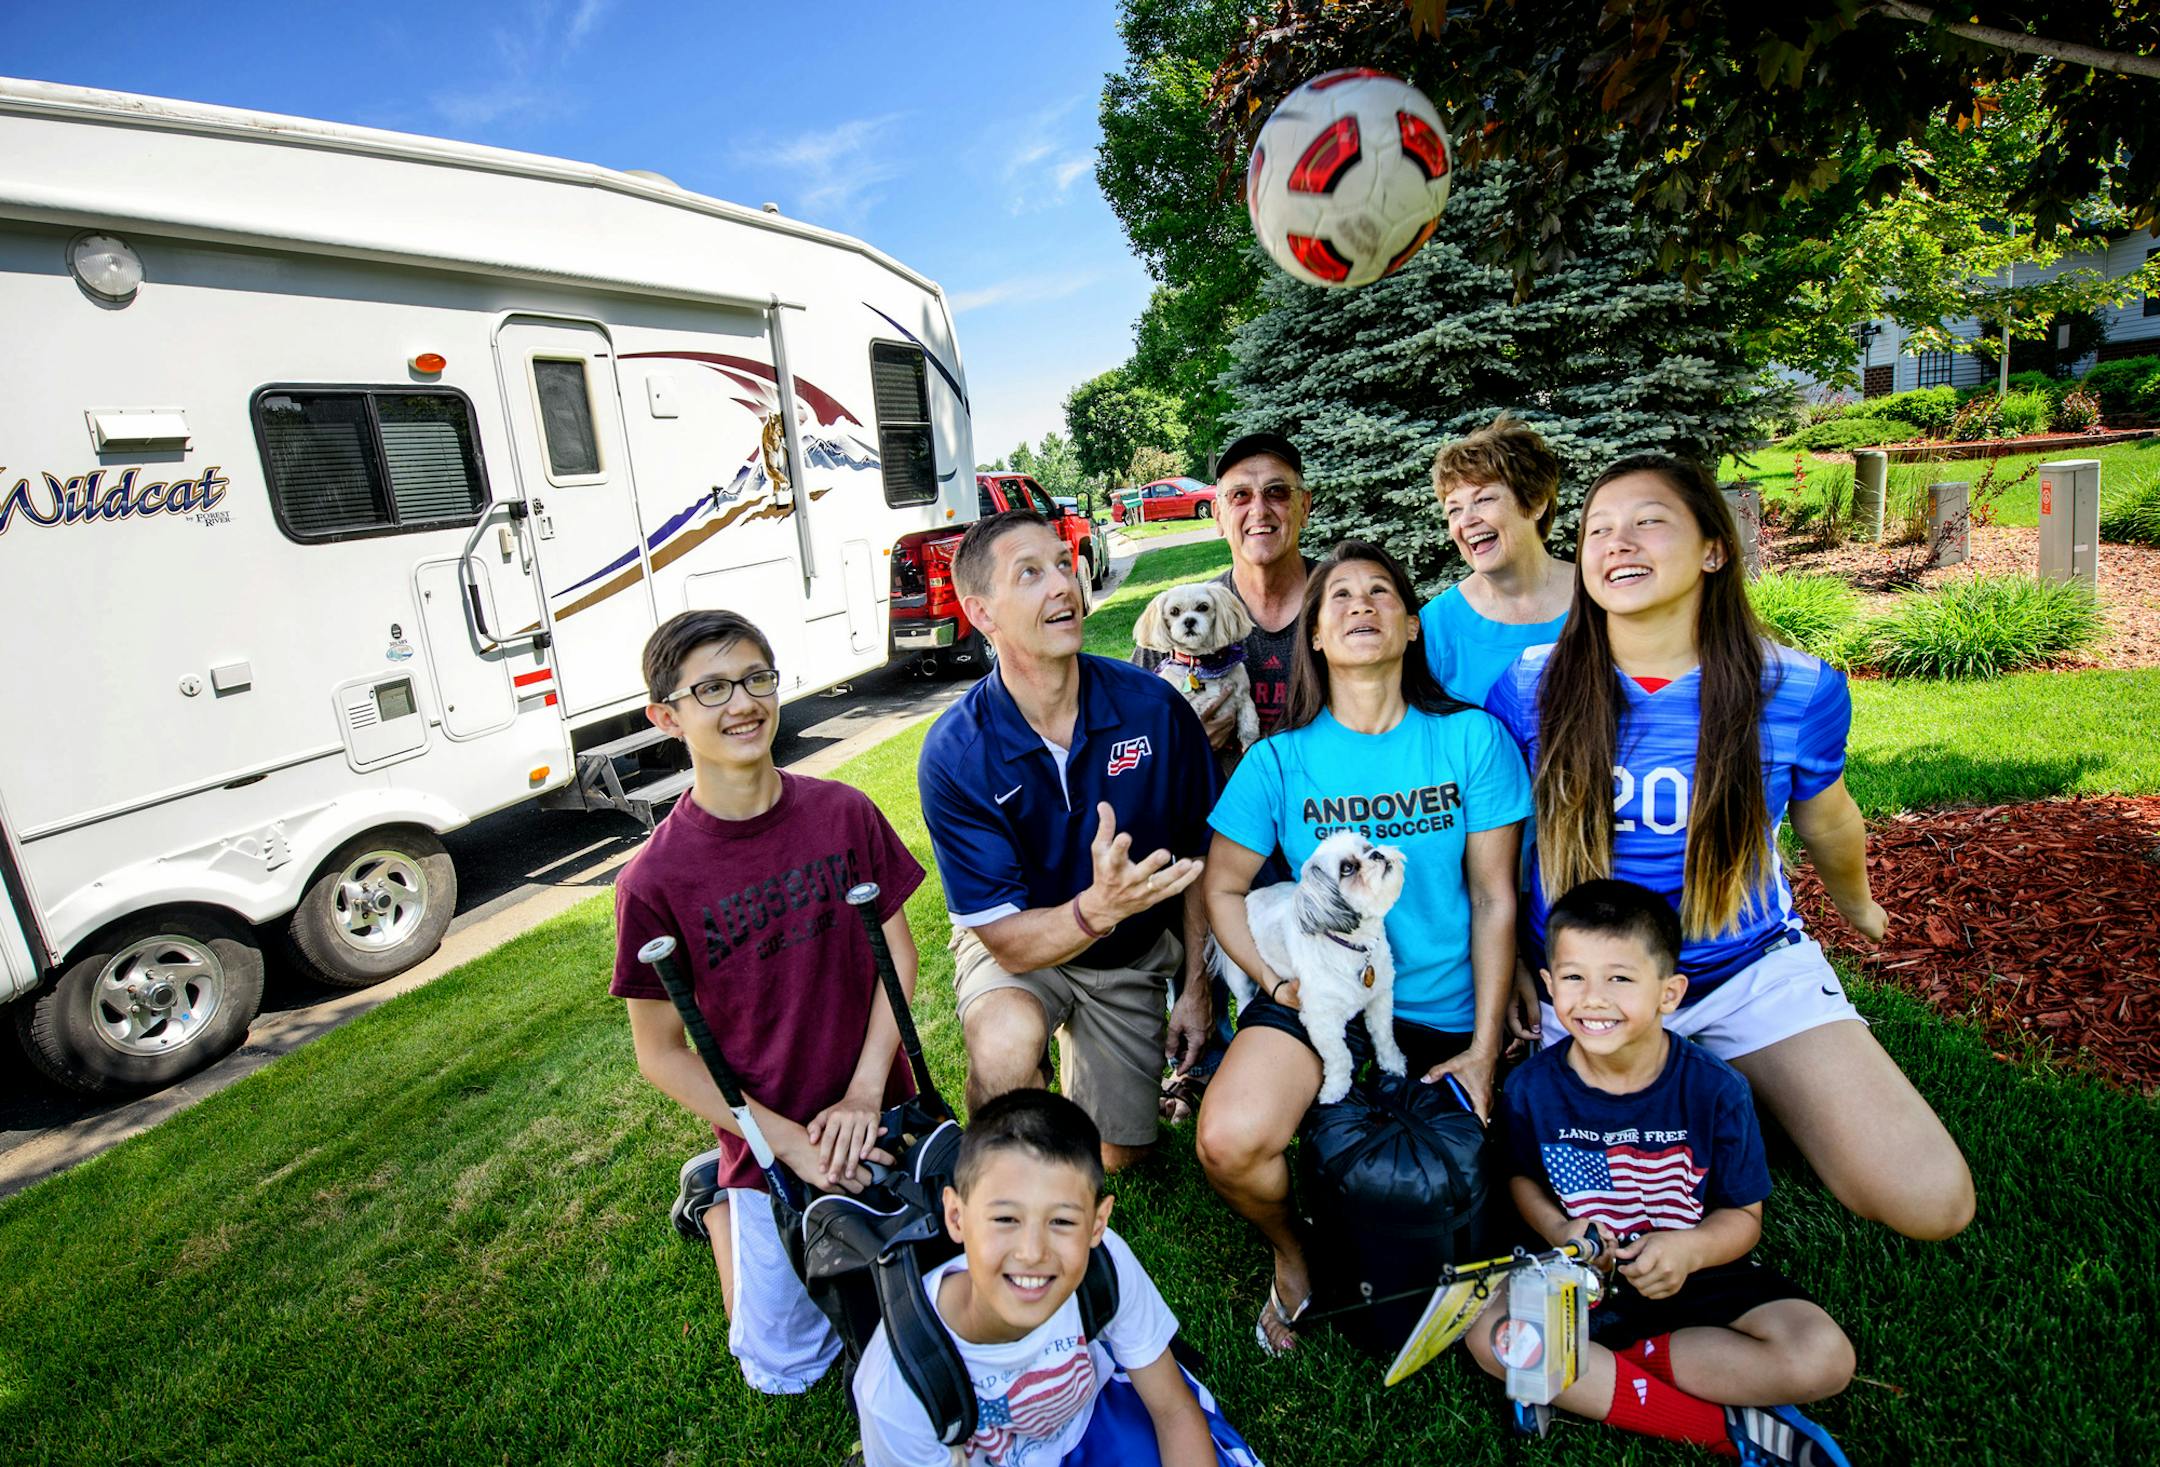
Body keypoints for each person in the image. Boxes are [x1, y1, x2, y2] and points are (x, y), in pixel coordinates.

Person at [1484, 453, 1974, 1242]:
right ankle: (1698, 1082)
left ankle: (1735, 1068)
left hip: (1743, 971)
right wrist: (1512, 961)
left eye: (1649, 521)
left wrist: (1858, 905)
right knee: (1540, 1195)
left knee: (1932, 1200)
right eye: (1598, 529)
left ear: (1713, 548)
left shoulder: (1798, 688)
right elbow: (1495, 845)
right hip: (1586, 987)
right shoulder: (1529, 684)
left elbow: (1829, 820)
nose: (1617, 542)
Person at [1193, 540, 1531, 1354]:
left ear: (1412, 626)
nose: (1359, 605)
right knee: (1229, 1140)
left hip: (1443, 1004)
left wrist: (1485, 1046)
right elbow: (1221, 886)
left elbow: (1494, 897)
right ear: (1313, 635)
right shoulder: (1280, 759)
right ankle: (1296, 1254)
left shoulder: (1471, 739)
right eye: (1337, 595)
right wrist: (1271, 979)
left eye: (1380, 591)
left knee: (1505, 1184)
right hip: (1323, 1000)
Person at [609, 609, 926, 1394]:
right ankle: (717, 1201)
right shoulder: (652, 881)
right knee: (784, 1369)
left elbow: (899, 956)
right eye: (711, 688)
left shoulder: (844, 812)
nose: (743, 702)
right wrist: (784, 1141)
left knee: (930, 1304)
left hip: (877, 1109)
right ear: (665, 716)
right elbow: (660, 1054)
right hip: (766, 1137)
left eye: (756, 678)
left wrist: (863, 1092)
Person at [1467, 878, 1857, 1466]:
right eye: (1573, 978)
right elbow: (1521, 1178)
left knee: (1822, 1356)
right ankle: (1719, 1429)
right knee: (1488, 1335)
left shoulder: (1716, 1090)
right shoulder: (1530, 1087)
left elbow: (1743, 1217)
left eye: (1620, 979)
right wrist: (1559, 1229)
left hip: (1693, 1277)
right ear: (1548, 984)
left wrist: (1690, 1250)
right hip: (1576, 1286)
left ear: (1669, 993)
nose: (1593, 1000)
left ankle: (1584, 1376)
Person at [918, 509, 1218, 1172]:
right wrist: (1096, 908)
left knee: (1117, 1157)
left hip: (1129, 952)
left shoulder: (1154, 708)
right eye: (1029, 573)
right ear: (981, 612)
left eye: (1062, 563)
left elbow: (1201, 853)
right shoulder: (956, 751)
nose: (1063, 584)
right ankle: (1006, 1110)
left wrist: (1195, 988)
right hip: (1023, 945)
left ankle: (1091, 1065)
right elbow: (1005, 938)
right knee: (1004, 1051)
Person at [852, 1090, 1264, 1467]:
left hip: (1096, 1420)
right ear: (956, 1216)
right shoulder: (894, 1388)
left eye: (1062, 1221)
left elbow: (1172, 1411)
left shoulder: (1102, 1264)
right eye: (1005, 1218)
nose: (1033, 1253)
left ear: (1097, 1225)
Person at [1131, 432, 1315, 750]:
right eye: (1240, 495)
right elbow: (1127, 738)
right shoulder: (1173, 623)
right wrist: (1181, 745)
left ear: (1305, 506)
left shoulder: (1343, 601)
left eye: (1277, 492)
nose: (1259, 510)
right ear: (1218, 515)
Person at [1420, 413, 1575, 706]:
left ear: (1536, 501)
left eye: (1484, 499)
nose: (1466, 520)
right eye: (1454, 510)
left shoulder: (1601, 598)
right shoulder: (1436, 627)